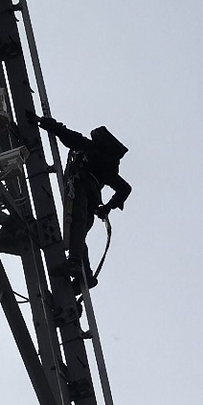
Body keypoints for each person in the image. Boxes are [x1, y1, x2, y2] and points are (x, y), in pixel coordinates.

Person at [36, 115, 130, 291]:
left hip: (80, 187)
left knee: (76, 225)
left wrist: (46, 123)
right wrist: (107, 208)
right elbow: (125, 188)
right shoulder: (107, 164)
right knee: (78, 233)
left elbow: (67, 135)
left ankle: (75, 263)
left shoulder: (90, 149)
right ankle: (86, 273)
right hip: (92, 198)